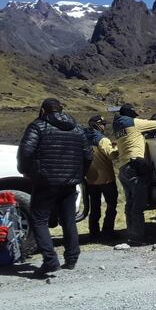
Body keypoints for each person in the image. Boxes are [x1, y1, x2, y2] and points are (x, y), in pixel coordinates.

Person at [17, 98, 92, 277]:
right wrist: (79, 174)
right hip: (70, 183)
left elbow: (26, 152)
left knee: (39, 220)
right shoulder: (76, 128)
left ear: (43, 110)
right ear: (61, 110)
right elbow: (88, 155)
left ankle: (50, 261)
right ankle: (72, 258)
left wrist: (26, 171)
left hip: (45, 182)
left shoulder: (38, 126)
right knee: (68, 220)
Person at [113, 103, 156, 246]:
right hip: (135, 167)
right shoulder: (133, 123)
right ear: (130, 114)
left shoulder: (118, 126)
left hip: (123, 168)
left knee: (130, 203)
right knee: (138, 206)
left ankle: (131, 234)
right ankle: (137, 238)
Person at [84, 115, 119, 242]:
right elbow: (112, 155)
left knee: (94, 207)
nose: (105, 126)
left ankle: (94, 233)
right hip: (106, 179)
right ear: (97, 125)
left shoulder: (83, 138)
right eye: (103, 124)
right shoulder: (102, 139)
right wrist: (117, 147)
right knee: (111, 205)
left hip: (90, 179)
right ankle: (107, 232)